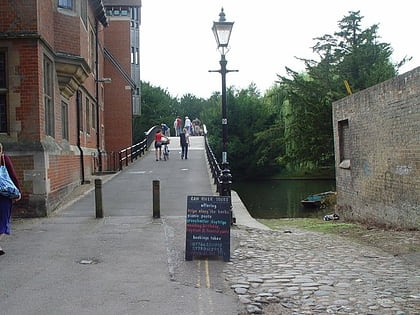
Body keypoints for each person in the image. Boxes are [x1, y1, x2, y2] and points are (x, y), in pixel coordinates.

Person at [0, 143, 21, 256]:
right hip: (4, 195)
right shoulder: (4, 158)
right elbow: (13, 176)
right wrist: (18, 192)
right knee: (3, 219)